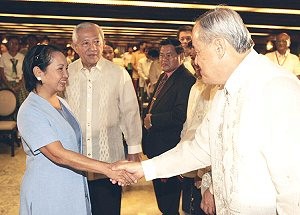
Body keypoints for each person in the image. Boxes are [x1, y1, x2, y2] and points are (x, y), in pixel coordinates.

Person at [113, 6, 300, 214]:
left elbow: (293, 189)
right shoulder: (223, 91)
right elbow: (199, 148)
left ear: (219, 47)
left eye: (199, 52)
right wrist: (144, 168)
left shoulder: (277, 88)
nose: (196, 62)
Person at [17, 44, 135, 215]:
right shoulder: (30, 111)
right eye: (60, 69)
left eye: (66, 68)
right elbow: (57, 153)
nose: (66, 74)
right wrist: (107, 168)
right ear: (39, 73)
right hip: (49, 191)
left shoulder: (61, 102)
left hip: (71, 187)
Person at [65, 22, 142, 215]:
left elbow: (130, 113)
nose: (92, 48)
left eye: (96, 42)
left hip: (110, 162)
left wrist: (133, 149)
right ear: (75, 47)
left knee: (108, 209)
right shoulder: (66, 74)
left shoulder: (118, 73)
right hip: (75, 164)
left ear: (103, 43)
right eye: (85, 43)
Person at [142, 38, 195, 215]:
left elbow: (180, 115)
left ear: (181, 56)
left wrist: (153, 120)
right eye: (162, 55)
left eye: (169, 55)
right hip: (158, 147)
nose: (164, 59)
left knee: (169, 203)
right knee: (164, 204)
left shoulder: (186, 79)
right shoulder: (165, 76)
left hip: (170, 148)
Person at [0, 36, 28, 109]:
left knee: (22, 104)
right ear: (8, 45)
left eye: (16, 44)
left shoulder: (22, 57)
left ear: (18, 45)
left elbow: (24, 72)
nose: (13, 45)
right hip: (7, 83)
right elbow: (2, 73)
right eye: (11, 43)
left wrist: (20, 84)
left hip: (20, 83)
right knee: (7, 105)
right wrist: (9, 86)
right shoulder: (3, 56)